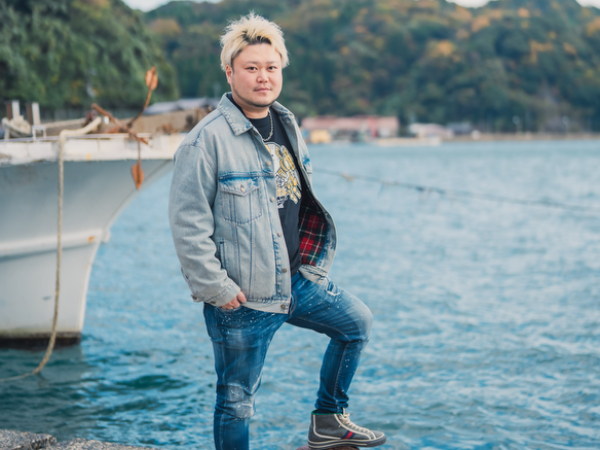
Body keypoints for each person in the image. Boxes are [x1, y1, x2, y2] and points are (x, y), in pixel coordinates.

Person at [168, 12, 386, 450]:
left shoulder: (287, 123)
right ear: (229, 72)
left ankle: (328, 419)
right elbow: (187, 224)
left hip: (295, 281)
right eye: (251, 67)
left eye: (271, 67)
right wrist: (217, 288)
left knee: (356, 323)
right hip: (243, 298)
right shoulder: (205, 141)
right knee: (236, 402)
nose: (263, 77)